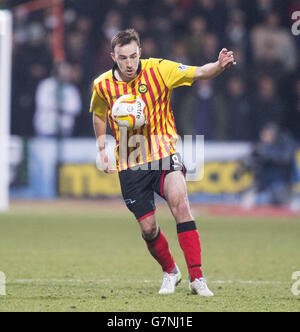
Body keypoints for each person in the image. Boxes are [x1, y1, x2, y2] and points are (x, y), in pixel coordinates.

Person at [90, 29, 236, 296]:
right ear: (114, 57)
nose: (130, 63)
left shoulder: (160, 69)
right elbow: (99, 114)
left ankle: (197, 278)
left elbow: (199, 72)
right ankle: (171, 271)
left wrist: (218, 65)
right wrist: (102, 149)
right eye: (123, 58)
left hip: (162, 151)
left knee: (180, 202)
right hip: (130, 162)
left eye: (134, 56)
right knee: (148, 229)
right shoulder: (102, 85)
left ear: (140, 53)